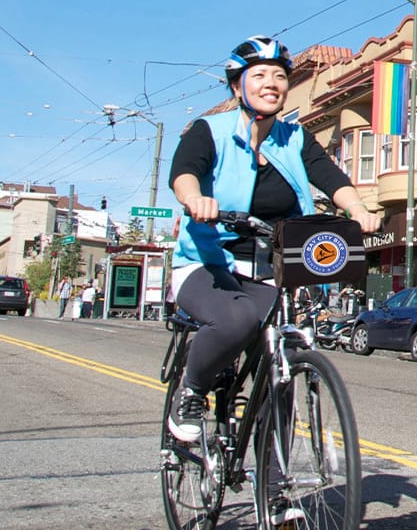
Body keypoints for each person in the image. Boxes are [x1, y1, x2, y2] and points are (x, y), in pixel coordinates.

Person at [164, 35, 383, 443]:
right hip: (208, 264)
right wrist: (195, 199)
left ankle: (277, 493)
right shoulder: (208, 131)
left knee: (278, 363)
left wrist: (358, 210)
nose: (271, 82)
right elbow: (185, 171)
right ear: (237, 85)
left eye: (279, 76)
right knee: (237, 320)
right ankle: (191, 391)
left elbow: (331, 178)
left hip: (268, 269)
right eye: (259, 74)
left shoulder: (294, 138)